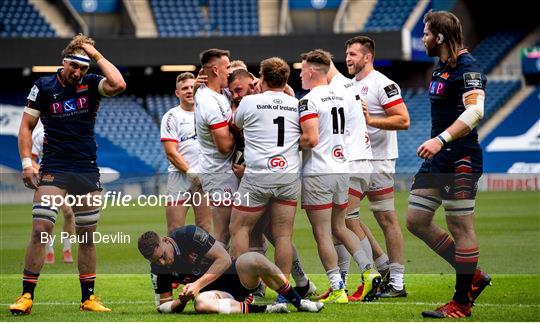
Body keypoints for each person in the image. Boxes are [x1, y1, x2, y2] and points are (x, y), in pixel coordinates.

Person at [10, 34, 126, 315]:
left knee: (86, 235)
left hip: (86, 167)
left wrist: (94, 55)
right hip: (54, 168)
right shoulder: (44, 86)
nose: (78, 73)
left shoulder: (91, 84)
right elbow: (26, 126)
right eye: (74, 66)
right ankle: (26, 296)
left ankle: (88, 298)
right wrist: (27, 162)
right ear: (64, 62)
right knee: (41, 228)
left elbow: (119, 83)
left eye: (83, 68)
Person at [406, 11, 491, 318]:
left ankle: (462, 302)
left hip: (460, 157)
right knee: (416, 219)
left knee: (460, 226)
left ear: (439, 37)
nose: (423, 38)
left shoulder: (468, 67)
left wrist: (440, 140)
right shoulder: (442, 67)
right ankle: (474, 276)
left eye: (426, 33)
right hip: (439, 159)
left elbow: (475, 112)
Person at [299, 49, 380, 304]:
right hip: (342, 169)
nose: (300, 74)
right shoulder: (345, 96)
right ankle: (370, 272)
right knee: (340, 226)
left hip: (319, 172)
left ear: (313, 71)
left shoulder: (309, 100)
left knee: (322, 232)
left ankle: (337, 288)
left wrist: (286, 144)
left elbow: (310, 139)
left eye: (302, 70)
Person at [346, 36, 410, 297]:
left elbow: (403, 119)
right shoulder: (349, 86)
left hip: (379, 160)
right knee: (345, 216)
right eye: (347, 54)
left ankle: (396, 281)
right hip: (357, 160)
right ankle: (382, 266)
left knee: (385, 218)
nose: (348, 58)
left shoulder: (383, 84)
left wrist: (371, 119)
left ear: (367, 57)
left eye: (353, 54)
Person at [138, 225, 323, 314]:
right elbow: (162, 305)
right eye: (156, 261)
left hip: (236, 278)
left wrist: (197, 284)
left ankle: (300, 303)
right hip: (216, 295)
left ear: (164, 240)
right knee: (201, 304)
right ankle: (268, 309)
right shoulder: (157, 267)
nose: (163, 263)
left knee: (253, 259)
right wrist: (182, 301)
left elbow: (224, 259)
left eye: (163, 256)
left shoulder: (189, 235)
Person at [194, 48, 237, 246]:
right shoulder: (208, 101)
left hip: (227, 172)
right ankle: (208, 275)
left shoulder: (221, 94)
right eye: (227, 67)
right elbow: (225, 147)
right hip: (219, 174)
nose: (230, 71)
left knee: (236, 230)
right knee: (224, 233)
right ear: (214, 70)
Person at [160, 72, 211, 234]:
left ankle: (206, 260)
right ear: (177, 93)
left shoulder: (207, 113)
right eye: (184, 88)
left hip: (204, 179)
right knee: (175, 229)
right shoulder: (171, 116)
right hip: (180, 178)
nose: (189, 90)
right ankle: (176, 260)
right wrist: (192, 174)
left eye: (192, 87)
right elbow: (171, 152)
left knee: (204, 228)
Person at [31, 121, 74, 264]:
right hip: (48, 178)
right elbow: (32, 159)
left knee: (69, 213)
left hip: (67, 175)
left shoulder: (66, 129)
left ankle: (67, 249)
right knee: (49, 218)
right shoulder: (39, 134)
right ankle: (49, 251)